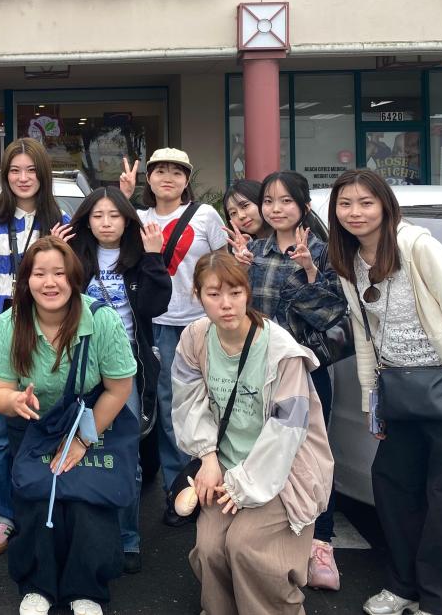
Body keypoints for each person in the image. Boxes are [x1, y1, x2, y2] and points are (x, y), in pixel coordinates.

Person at [327, 169, 442, 615]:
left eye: (365, 202)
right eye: (345, 204)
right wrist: (370, 401)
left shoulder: (418, 247)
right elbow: (364, 336)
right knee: (396, 493)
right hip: (398, 393)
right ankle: (404, 586)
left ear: (385, 206)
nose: (354, 213)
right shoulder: (350, 260)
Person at [173, 251, 333, 615]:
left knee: (247, 547)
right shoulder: (194, 338)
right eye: (214, 294)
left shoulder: (281, 350)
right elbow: (187, 401)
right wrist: (208, 458)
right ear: (198, 296)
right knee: (211, 548)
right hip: (224, 466)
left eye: (234, 293)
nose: (226, 304)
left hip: (282, 470)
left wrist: (245, 484)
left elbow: (287, 430)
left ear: (248, 294)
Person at [0, 236, 136, 615]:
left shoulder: (101, 320)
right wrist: (15, 400)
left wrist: (84, 441)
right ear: (26, 280)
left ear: (74, 278)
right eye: (39, 274)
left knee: (87, 501)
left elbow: (119, 389)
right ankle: (38, 587)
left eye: (59, 273)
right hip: (36, 424)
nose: (49, 283)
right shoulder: (10, 323)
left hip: (90, 421)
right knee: (37, 500)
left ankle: (86, 590)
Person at [224, 170, 348, 590]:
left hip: (307, 370)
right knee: (261, 447)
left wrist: (312, 272)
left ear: (304, 207)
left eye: (285, 202)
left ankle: (321, 543)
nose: (275, 209)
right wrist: (238, 272)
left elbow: (332, 314)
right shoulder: (251, 249)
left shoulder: (323, 250)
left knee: (311, 455)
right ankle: (266, 534)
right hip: (258, 369)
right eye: (269, 202)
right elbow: (235, 310)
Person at [0, 136, 71, 555]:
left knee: (42, 423)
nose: (23, 178)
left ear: (42, 174)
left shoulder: (58, 218)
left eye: (31, 170)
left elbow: (65, 279)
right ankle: (1, 516)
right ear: (5, 176)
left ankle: (39, 505)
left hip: (42, 333)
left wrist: (64, 245)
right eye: (14, 170)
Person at [120, 147, 229, 525]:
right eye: (160, 171)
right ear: (148, 179)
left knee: (211, 405)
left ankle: (214, 484)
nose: (168, 178)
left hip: (204, 324)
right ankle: (179, 491)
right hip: (159, 325)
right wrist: (123, 195)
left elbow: (224, 264)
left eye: (176, 172)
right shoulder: (139, 216)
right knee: (170, 410)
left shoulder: (205, 216)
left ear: (187, 179)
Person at [66, 187, 172, 575]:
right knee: (77, 449)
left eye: (114, 215)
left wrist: (155, 257)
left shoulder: (138, 256)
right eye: (97, 216)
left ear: (127, 219)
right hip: (79, 360)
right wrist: (56, 251)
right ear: (86, 220)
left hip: (126, 361)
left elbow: (155, 306)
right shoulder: (76, 255)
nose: (105, 222)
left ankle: (129, 538)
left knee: (126, 453)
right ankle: (83, 535)